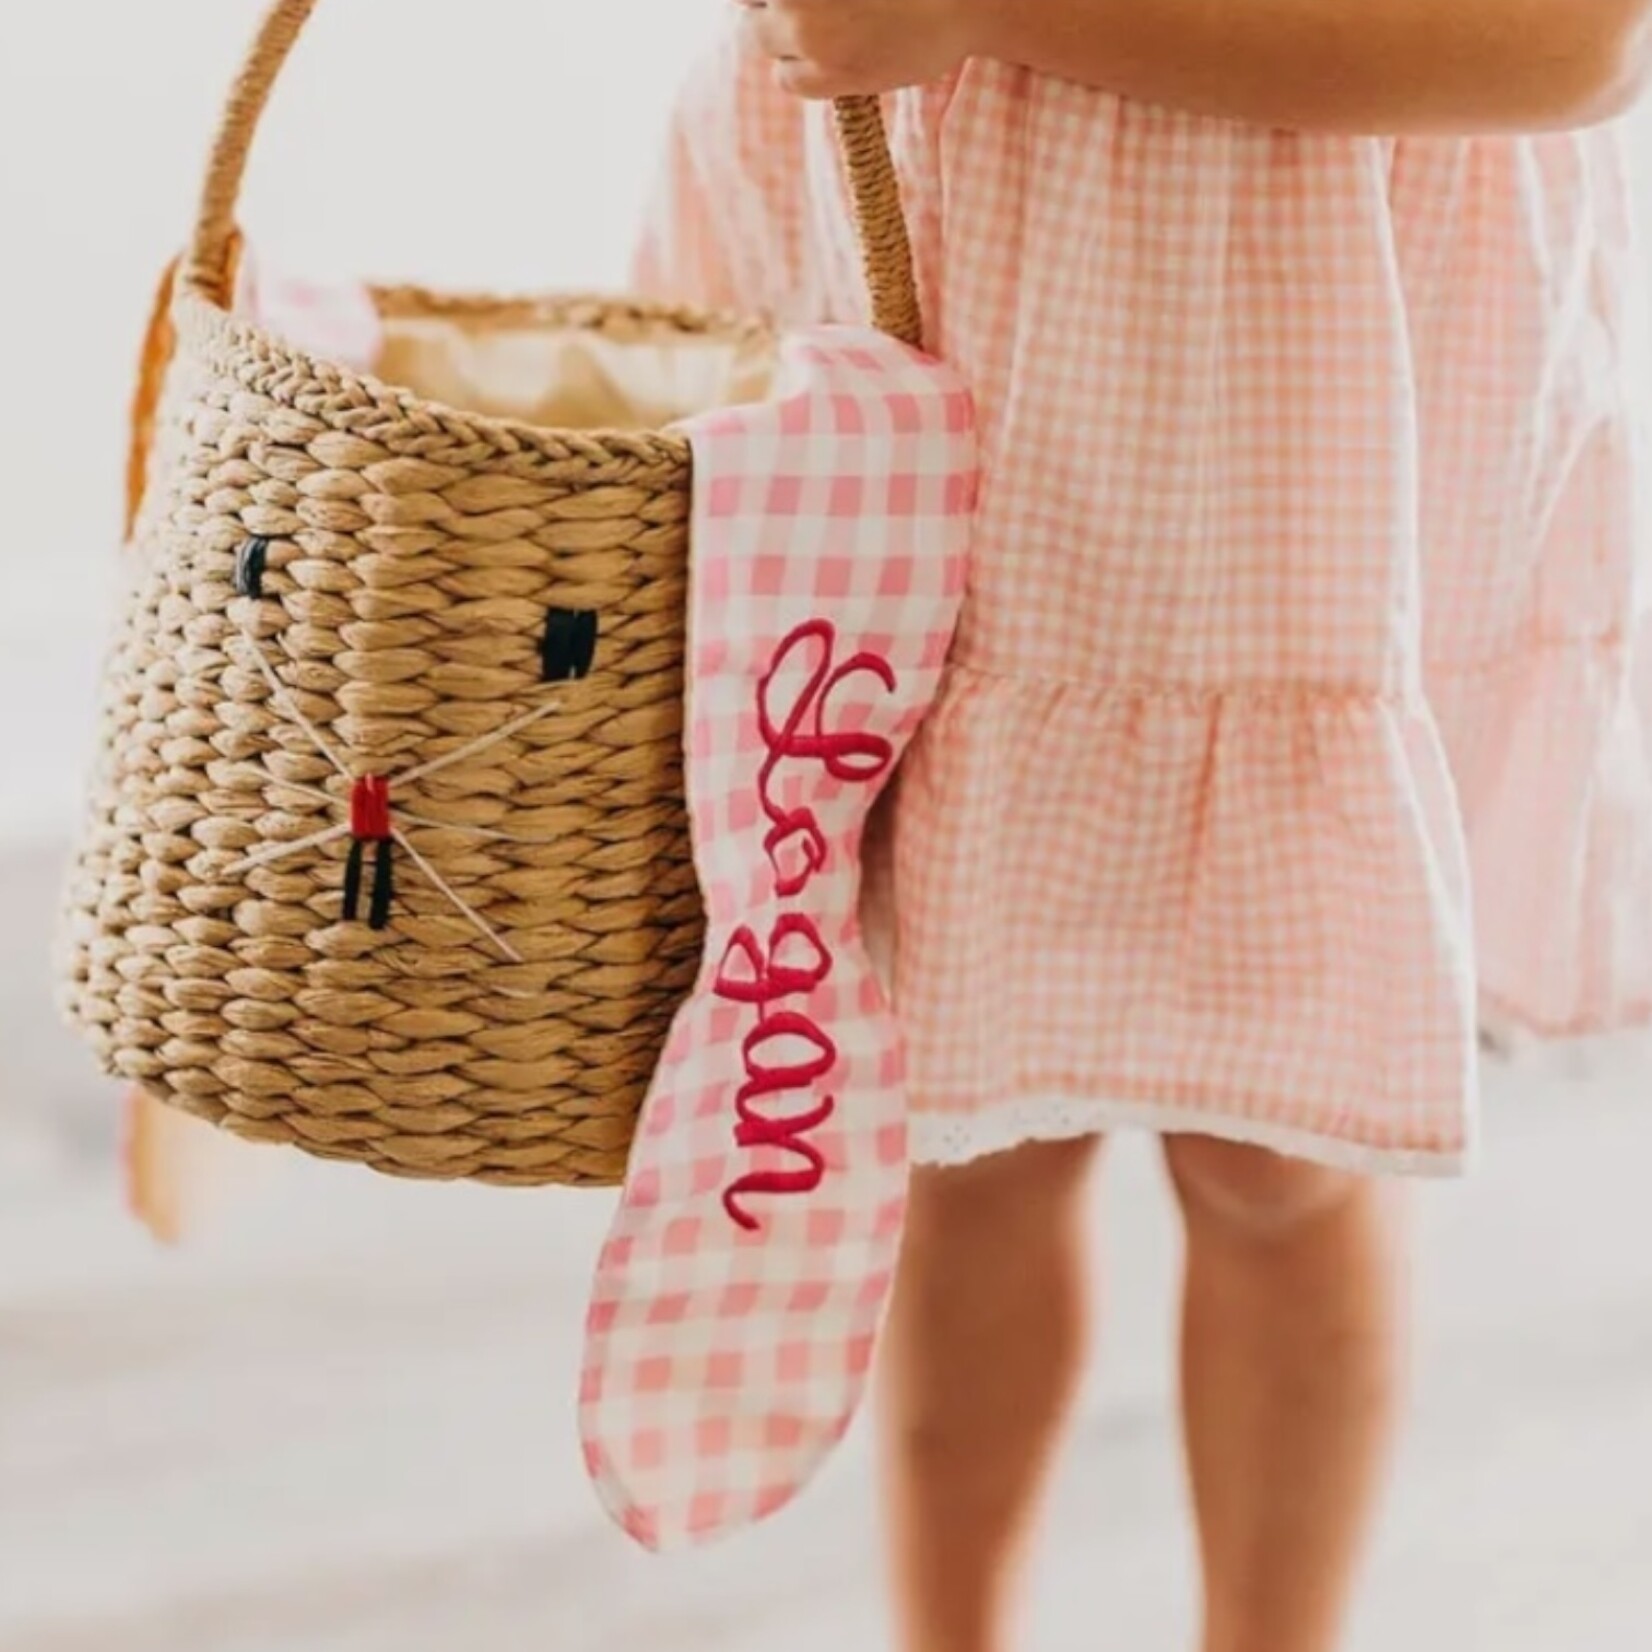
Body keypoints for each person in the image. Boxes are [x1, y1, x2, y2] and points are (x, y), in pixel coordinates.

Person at [636, 4, 1652, 1649]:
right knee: (957, 1130)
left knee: (1277, 1158)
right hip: (933, 276)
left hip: (1307, 382)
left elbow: (1574, 46)